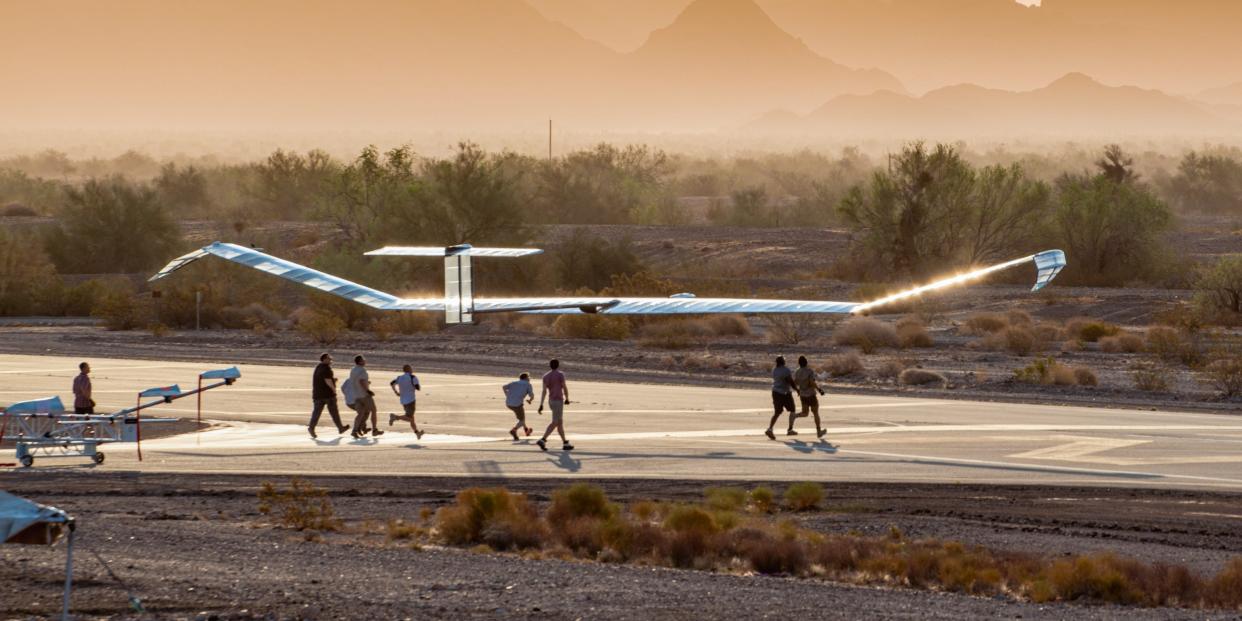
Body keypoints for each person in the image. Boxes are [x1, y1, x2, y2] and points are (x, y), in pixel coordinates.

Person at [308, 353, 350, 438]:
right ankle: (340, 428)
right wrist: (334, 390)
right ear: (324, 359)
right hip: (328, 395)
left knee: (316, 413)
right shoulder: (327, 368)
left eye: (330, 359)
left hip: (317, 394)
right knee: (334, 412)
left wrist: (333, 379)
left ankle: (311, 428)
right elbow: (328, 381)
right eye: (329, 359)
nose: (330, 360)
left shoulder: (318, 367)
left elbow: (323, 379)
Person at [535, 359, 573, 452]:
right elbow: (564, 386)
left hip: (551, 401)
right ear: (558, 365)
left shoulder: (545, 376)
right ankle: (543, 439)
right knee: (555, 422)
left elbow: (544, 391)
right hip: (558, 401)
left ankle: (565, 443)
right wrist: (567, 398)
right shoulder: (560, 374)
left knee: (559, 422)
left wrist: (541, 404)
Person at [345, 355, 382, 439]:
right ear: (360, 361)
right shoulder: (362, 370)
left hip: (356, 395)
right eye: (363, 360)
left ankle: (354, 431)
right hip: (364, 395)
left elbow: (356, 381)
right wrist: (368, 390)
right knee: (374, 410)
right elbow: (361, 381)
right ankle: (374, 430)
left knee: (361, 413)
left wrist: (366, 383)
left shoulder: (353, 369)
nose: (365, 360)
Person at [792, 355, 828, 439]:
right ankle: (818, 431)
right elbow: (812, 382)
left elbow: (795, 383)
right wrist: (819, 390)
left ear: (799, 363)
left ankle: (794, 416)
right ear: (806, 362)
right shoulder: (809, 371)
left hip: (803, 395)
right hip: (811, 395)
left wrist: (798, 390)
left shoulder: (797, 372)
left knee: (805, 413)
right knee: (815, 413)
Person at [388, 364, 424, 439]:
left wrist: (396, 392)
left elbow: (392, 383)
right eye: (411, 368)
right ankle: (395, 417)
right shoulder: (412, 377)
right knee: (409, 418)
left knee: (411, 418)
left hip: (403, 400)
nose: (412, 370)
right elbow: (418, 387)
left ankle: (417, 433)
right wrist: (417, 386)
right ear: (409, 369)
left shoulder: (400, 378)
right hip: (411, 400)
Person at [765, 356, 796, 440]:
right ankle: (790, 429)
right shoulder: (786, 370)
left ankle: (770, 428)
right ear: (783, 362)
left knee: (777, 412)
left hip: (775, 392)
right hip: (785, 393)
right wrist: (796, 389)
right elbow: (789, 380)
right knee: (792, 410)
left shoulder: (774, 369)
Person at [503, 373, 535, 440]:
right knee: (522, 420)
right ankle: (514, 430)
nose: (529, 379)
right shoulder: (528, 385)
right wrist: (530, 400)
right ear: (526, 378)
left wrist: (507, 395)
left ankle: (526, 430)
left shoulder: (514, 382)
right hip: (517, 404)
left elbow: (504, 387)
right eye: (528, 377)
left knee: (521, 418)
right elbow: (531, 395)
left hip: (508, 403)